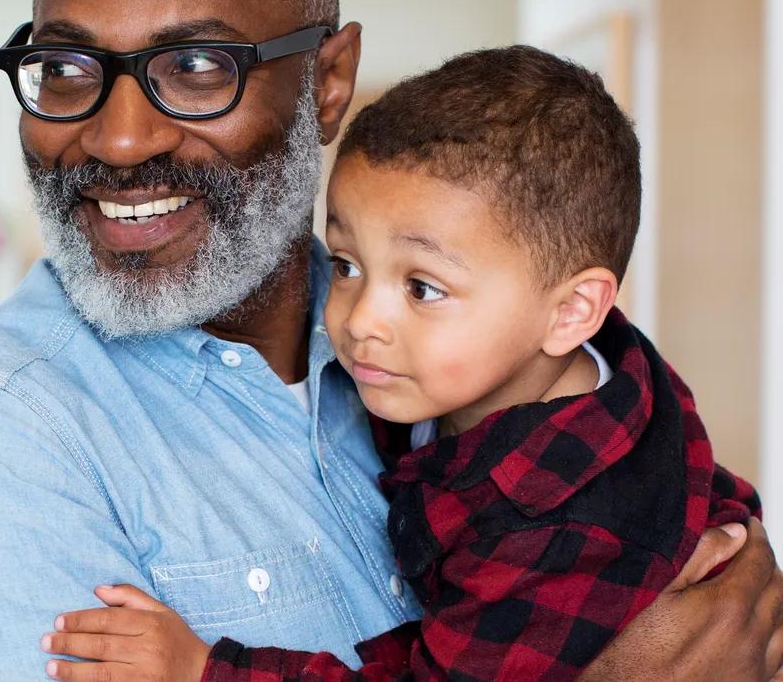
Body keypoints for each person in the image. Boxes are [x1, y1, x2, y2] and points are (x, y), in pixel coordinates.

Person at [0, 0, 779, 682]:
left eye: (197, 65)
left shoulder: (463, 353)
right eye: (64, 66)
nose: (121, 137)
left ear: (327, 84)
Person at [41, 46, 761, 681]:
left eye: (422, 287)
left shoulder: (554, 531)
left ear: (571, 311)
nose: (359, 320)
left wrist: (206, 670)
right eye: (348, 264)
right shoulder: (540, 366)